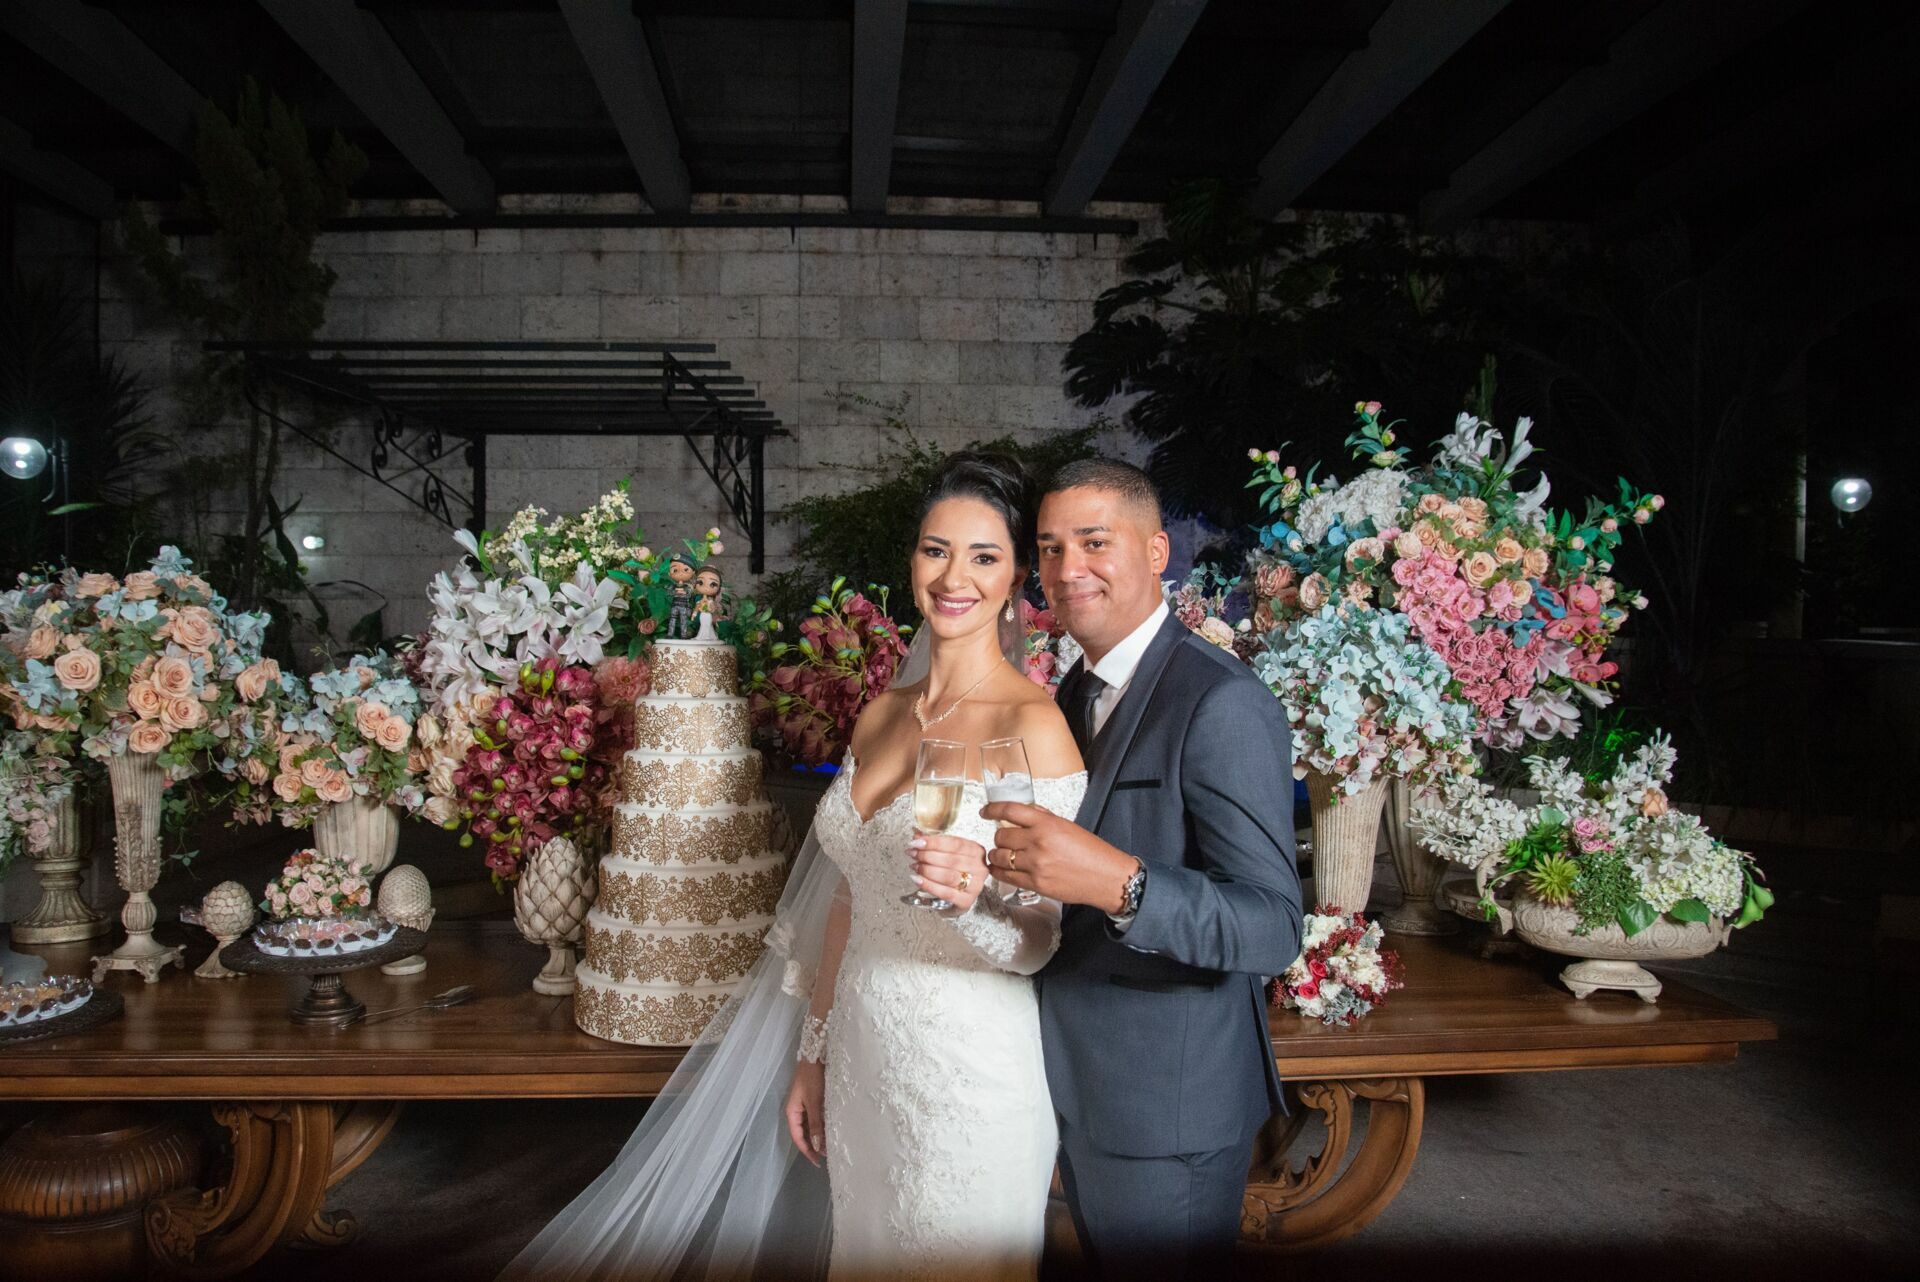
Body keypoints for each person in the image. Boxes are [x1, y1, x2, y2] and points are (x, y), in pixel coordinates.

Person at [502, 453, 1084, 1282]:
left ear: (1018, 575)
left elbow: (1039, 939)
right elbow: (849, 896)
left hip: (970, 1069)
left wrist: (972, 902)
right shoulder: (881, 716)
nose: (955, 577)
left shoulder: (1035, 727)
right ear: (912, 562)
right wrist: (812, 1055)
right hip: (862, 1049)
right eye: (935, 550)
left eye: (984, 556)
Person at [937, 457, 1304, 1278]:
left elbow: (1273, 926)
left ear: (1157, 551)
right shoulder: (1069, 694)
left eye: (1095, 543)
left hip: (1165, 1105)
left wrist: (1122, 884)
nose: (1070, 570)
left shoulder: (1221, 700)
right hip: (1070, 1083)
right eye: (1052, 548)